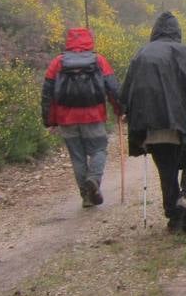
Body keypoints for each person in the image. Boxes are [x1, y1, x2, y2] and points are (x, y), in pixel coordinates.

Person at [120, 12, 186, 234]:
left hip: (154, 127)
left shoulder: (141, 55)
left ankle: (174, 217)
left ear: (154, 31)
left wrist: (128, 114)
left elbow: (126, 94)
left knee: (167, 170)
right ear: (177, 32)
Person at [41, 27, 124, 208]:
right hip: (93, 115)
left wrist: (48, 120)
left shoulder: (58, 62)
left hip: (66, 118)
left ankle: (86, 197)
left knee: (77, 157)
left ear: (69, 42)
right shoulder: (99, 60)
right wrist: (119, 109)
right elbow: (112, 88)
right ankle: (93, 179)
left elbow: (47, 93)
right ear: (89, 40)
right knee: (99, 150)